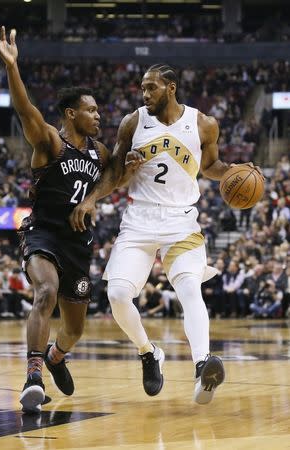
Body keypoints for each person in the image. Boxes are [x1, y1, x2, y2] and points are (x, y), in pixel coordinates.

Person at [70, 64, 261, 404]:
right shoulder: (134, 121)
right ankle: (148, 352)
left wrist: (236, 171)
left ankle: (203, 366)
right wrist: (91, 198)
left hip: (181, 221)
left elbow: (210, 167)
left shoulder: (203, 123)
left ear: (170, 87)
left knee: (189, 287)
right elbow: (115, 171)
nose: (145, 94)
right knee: (116, 295)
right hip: (139, 220)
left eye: (151, 87)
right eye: (143, 88)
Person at [0, 26, 140, 413]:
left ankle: (56, 356)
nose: (98, 115)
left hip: (78, 242)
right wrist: (12, 67)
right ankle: (34, 376)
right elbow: (25, 110)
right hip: (43, 234)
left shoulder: (101, 151)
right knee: (45, 293)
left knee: (74, 329)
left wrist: (126, 170)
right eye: (92, 110)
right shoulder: (50, 141)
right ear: (72, 113)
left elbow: (113, 178)